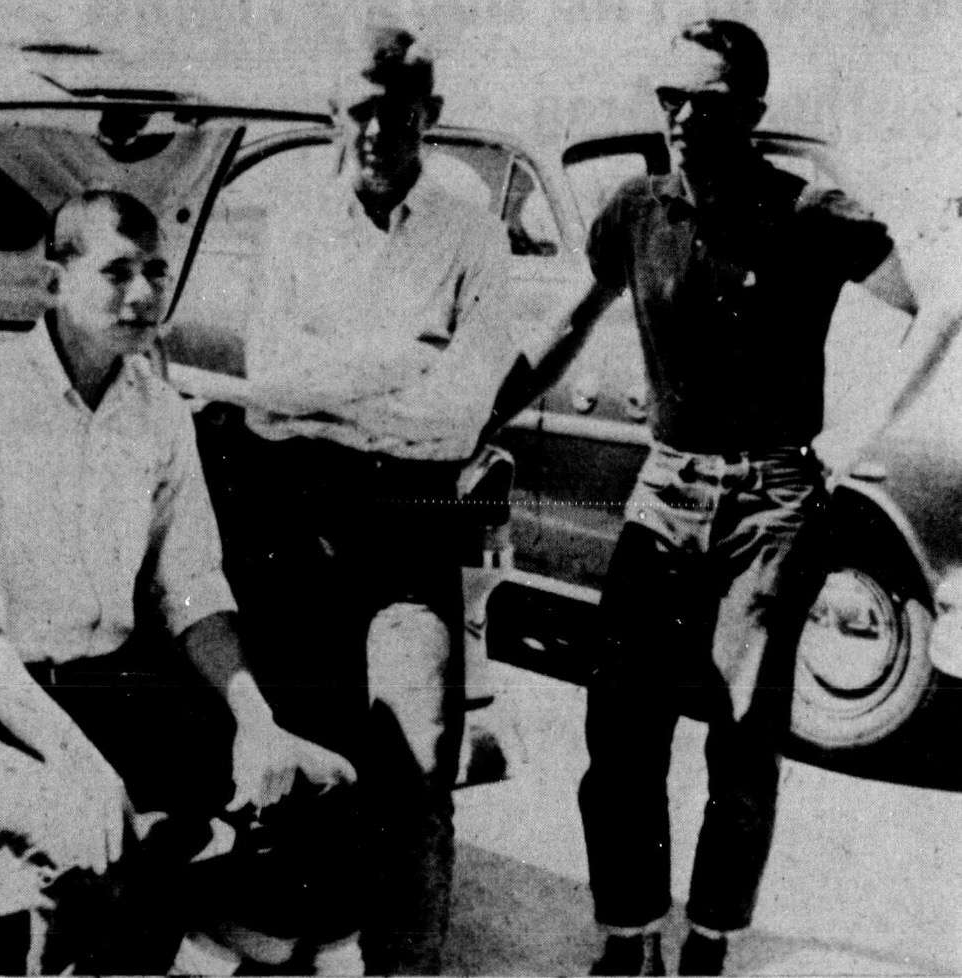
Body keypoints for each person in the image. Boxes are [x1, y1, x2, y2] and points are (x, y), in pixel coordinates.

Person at [522, 19, 919, 976]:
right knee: (622, 729)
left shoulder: (811, 211)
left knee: (742, 740)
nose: (683, 117)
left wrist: (856, 438)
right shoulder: (636, 210)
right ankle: (630, 938)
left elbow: (933, 303)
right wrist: (482, 421)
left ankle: (710, 940)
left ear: (751, 112)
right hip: (665, 488)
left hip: (772, 503)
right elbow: (568, 326)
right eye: (671, 97)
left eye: (707, 101)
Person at [0, 189, 356, 974]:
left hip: (113, 693)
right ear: (54, 283)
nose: (144, 293)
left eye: (156, 271)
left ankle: (218, 952)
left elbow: (192, 589)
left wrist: (256, 721)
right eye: (117, 272)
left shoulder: (159, 411)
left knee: (323, 792)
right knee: (94, 846)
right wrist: (79, 765)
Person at [218, 22, 516, 975]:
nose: (378, 131)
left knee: (417, 765)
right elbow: (270, 386)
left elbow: (460, 418)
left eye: (400, 112)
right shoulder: (293, 220)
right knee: (297, 752)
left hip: (411, 526)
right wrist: (404, 363)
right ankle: (289, 952)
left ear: (432, 114)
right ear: (331, 114)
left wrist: (333, 392)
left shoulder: (473, 231)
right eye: (360, 111)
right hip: (298, 519)